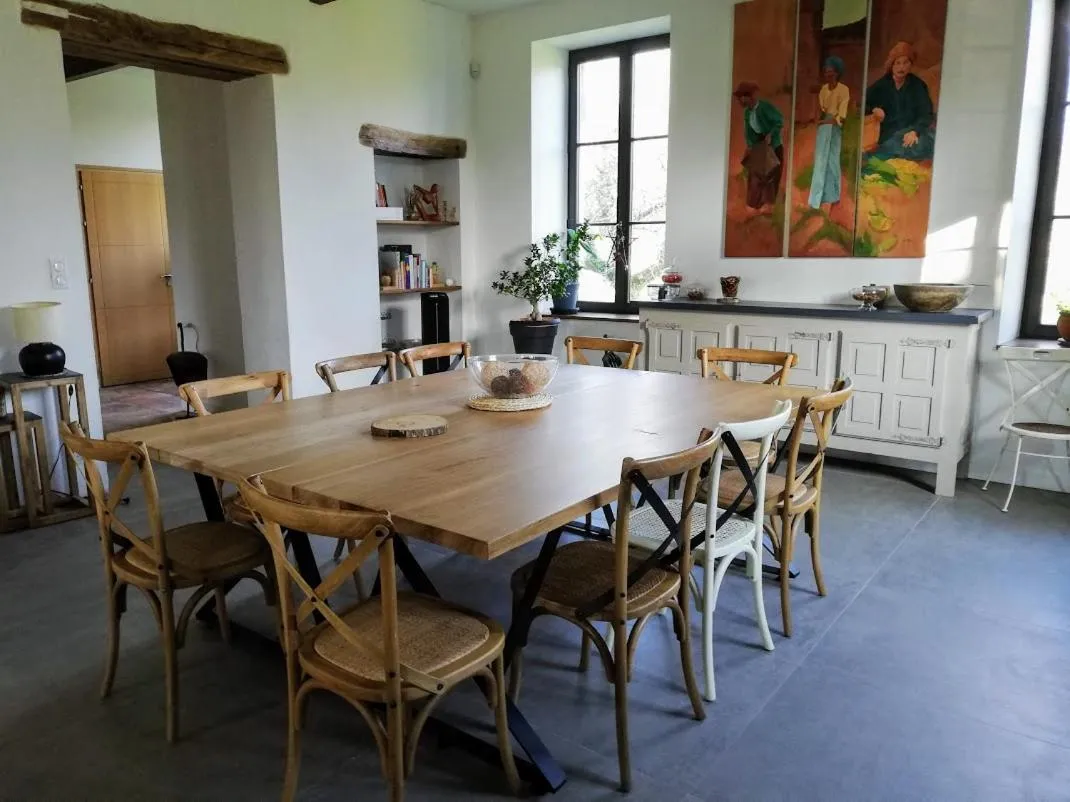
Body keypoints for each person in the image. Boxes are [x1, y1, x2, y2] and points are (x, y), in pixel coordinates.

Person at [864, 41, 936, 162]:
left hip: (911, 132)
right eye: (897, 63)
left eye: (905, 63)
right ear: (891, 65)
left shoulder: (918, 85)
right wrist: (874, 109)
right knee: (895, 146)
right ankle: (879, 155)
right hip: (890, 134)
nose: (901, 67)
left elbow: (926, 113)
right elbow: (864, 104)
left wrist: (915, 131)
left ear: (910, 65)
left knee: (926, 144)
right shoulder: (881, 85)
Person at [734, 81, 785, 216]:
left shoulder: (764, 108)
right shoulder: (747, 113)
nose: (740, 100)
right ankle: (754, 205)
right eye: (739, 97)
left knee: (771, 174)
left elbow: (779, 121)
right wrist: (750, 146)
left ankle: (768, 205)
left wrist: (771, 134)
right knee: (755, 174)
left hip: (772, 146)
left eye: (742, 97)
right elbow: (749, 132)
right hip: (759, 147)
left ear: (749, 97)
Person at [809, 56, 849, 210]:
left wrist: (825, 122)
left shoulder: (843, 90)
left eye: (831, 72)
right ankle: (816, 199)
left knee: (832, 160)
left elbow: (841, 116)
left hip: (835, 127)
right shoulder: (824, 90)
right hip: (824, 128)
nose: (828, 75)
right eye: (826, 72)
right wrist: (819, 119)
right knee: (820, 160)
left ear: (837, 73)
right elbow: (822, 109)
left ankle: (833, 196)